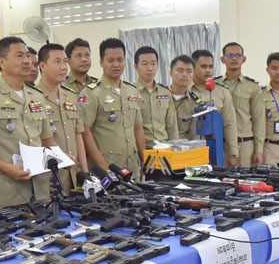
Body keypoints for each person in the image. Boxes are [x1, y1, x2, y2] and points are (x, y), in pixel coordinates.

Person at [0, 37, 56, 209]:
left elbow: (46, 139)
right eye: (19, 56)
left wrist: (62, 158)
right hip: (3, 192)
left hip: (39, 190)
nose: (27, 61)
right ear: (2, 63)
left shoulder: (36, 95)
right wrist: (6, 168)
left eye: (28, 55)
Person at [80, 38, 146, 179]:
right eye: (110, 60)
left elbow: (138, 128)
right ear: (101, 62)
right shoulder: (92, 93)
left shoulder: (132, 90)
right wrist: (103, 165)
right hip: (107, 170)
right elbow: (85, 131)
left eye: (120, 60)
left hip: (132, 168)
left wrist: (144, 159)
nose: (116, 64)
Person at [38, 43, 89, 190]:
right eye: (57, 62)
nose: (63, 67)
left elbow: (78, 135)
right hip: (49, 176)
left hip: (74, 174)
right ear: (43, 66)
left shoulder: (71, 96)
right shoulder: (34, 97)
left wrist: (85, 172)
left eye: (65, 62)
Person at [216, 42, 265, 166]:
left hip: (245, 145)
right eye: (230, 55)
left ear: (244, 59)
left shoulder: (253, 87)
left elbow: (258, 120)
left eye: (238, 55)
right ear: (222, 59)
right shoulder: (214, 86)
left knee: (245, 178)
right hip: (220, 143)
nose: (234, 58)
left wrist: (259, 150)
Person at [190, 49, 239, 166]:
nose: (208, 70)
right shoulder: (185, 90)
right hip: (189, 151)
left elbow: (229, 123)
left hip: (216, 152)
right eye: (203, 67)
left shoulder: (222, 92)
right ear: (193, 67)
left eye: (211, 67)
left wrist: (232, 153)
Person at [133, 46, 179, 148]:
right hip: (140, 149)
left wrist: (175, 148)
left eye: (153, 64)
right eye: (145, 64)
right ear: (136, 67)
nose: (150, 68)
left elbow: (172, 126)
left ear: (157, 66)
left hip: (164, 148)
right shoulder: (131, 93)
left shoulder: (165, 92)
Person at [169, 55, 197, 138]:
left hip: (184, 145)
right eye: (180, 70)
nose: (184, 75)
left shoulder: (195, 102)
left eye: (189, 71)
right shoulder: (160, 97)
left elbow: (194, 135)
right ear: (170, 73)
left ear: (193, 75)